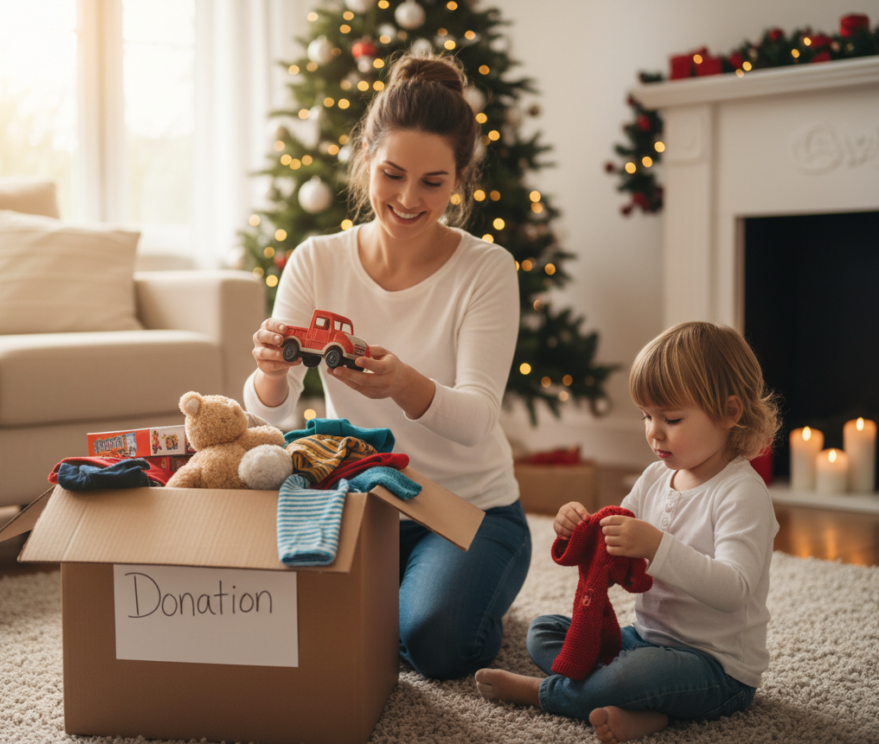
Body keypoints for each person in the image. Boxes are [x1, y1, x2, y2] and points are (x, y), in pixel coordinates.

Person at [243, 52, 532, 680]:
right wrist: (270, 370)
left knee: (433, 644)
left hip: (469, 511)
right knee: (264, 613)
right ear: (366, 160)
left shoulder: (487, 270)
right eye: (392, 174)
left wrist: (405, 385)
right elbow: (269, 413)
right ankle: (404, 598)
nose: (407, 199)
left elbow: (477, 421)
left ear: (459, 181)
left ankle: (455, 595)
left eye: (432, 182)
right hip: (368, 504)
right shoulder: (317, 260)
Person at [475, 321, 781, 743]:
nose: (654, 432)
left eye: (671, 418)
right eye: (646, 416)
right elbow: (610, 541)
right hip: (646, 639)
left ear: (731, 413)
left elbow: (735, 590)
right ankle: (647, 713)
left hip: (715, 667)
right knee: (543, 631)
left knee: (629, 676)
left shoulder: (741, 493)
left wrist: (657, 546)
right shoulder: (657, 476)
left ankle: (546, 693)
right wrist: (576, 527)